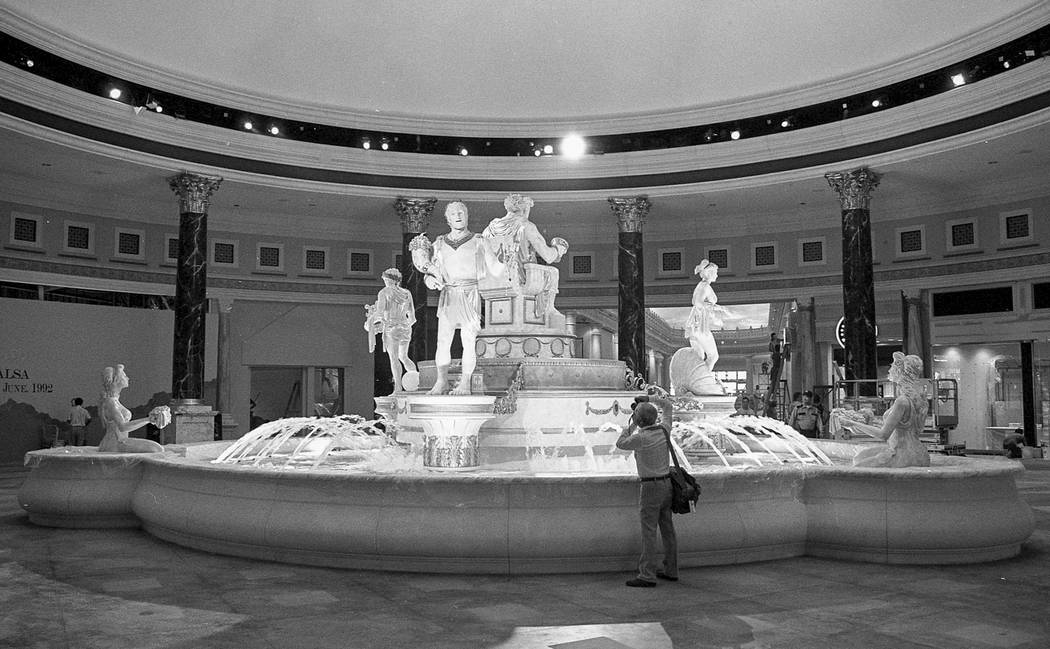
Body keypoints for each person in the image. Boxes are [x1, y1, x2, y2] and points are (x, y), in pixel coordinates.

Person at [410, 201, 503, 395]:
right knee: (443, 340)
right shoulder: (439, 243)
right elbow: (429, 274)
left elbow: (495, 269)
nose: (458, 215)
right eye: (453, 213)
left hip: (470, 292)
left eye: (462, 212)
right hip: (449, 293)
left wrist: (508, 259)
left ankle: (465, 383)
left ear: (467, 215)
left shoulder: (479, 240)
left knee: (468, 340)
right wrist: (430, 282)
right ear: (448, 218)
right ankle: (441, 381)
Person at [615, 399, 678, 588]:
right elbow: (668, 406)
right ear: (655, 417)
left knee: (649, 532)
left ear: (640, 420)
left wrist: (632, 422)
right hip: (667, 484)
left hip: (650, 487)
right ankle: (671, 569)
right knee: (667, 529)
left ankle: (647, 574)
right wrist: (650, 399)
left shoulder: (640, 438)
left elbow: (620, 443)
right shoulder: (664, 430)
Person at [482, 194, 568, 320]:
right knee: (553, 272)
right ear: (524, 209)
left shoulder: (490, 228)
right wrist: (558, 249)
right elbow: (548, 257)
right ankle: (549, 309)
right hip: (523, 280)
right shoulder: (526, 226)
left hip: (496, 283)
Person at [851, 352, 931, 468]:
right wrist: (870, 421)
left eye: (892, 367)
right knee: (860, 457)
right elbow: (897, 427)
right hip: (917, 452)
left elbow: (883, 435)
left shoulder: (902, 401)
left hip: (903, 454)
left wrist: (852, 423)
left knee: (858, 466)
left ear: (900, 372)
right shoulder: (918, 398)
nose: (889, 370)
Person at [364, 268, 418, 393]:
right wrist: (403, 326)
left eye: (385, 280)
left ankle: (398, 388)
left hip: (392, 329)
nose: (385, 282)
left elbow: (380, 313)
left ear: (389, 279)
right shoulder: (407, 293)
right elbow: (413, 318)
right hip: (405, 328)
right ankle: (415, 383)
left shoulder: (385, 292)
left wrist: (371, 320)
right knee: (404, 357)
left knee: (394, 358)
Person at [97, 364, 166, 453]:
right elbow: (123, 427)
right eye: (125, 376)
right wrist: (148, 419)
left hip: (120, 441)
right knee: (156, 449)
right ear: (117, 380)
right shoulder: (110, 402)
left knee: (157, 448)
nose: (128, 378)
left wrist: (150, 419)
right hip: (115, 443)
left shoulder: (114, 401)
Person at [685, 259, 728, 375]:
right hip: (700, 325)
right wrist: (715, 308)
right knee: (713, 356)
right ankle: (701, 381)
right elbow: (697, 302)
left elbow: (698, 302)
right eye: (715, 272)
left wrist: (717, 308)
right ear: (709, 273)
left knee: (699, 357)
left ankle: (694, 380)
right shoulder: (705, 286)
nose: (717, 275)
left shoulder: (701, 285)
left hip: (695, 324)